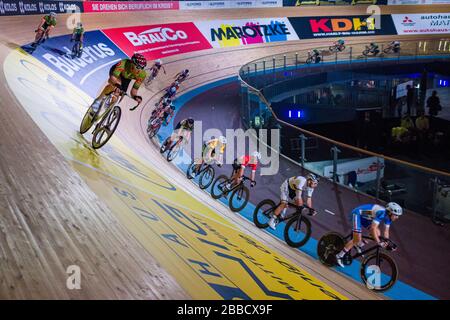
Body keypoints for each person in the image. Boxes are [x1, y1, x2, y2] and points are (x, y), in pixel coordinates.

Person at [335, 202, 403, 268]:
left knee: (378, 233)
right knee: (357, 239)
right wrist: (379, 242)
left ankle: (359, 245)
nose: (397, 217)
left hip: (365, 217)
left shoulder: (389, 218)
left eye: (398, 215)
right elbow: (373, 228)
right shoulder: (381, 213)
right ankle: (339, 256)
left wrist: (387, 243)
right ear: (390, 213)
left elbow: (386, 231)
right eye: (396, 215)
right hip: (357, 214)